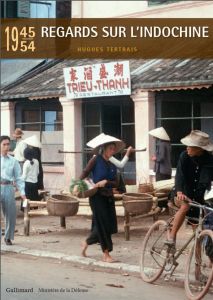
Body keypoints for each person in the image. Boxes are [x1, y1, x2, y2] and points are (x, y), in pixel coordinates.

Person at [80, 134, 125, 262]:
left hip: (108, 196)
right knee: (103, 224)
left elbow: (116, 183)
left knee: (109, 225)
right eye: (111, 148)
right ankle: (106, 254)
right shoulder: (96, 160)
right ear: (104, 148)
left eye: (114, 149)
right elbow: (84, 173)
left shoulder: (112, 165)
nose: (113, 151)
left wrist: (106, 181)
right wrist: (77, 185)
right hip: (96, 197)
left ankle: (86, 242)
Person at [166, 130, 213, 246]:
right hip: (182, 191)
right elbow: (179, 176)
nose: (187, 148)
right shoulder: (184, 156)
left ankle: (198, 261)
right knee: (185, 206)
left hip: (198, 196)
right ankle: (171, 237)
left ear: (199, 149)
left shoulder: (210, 160)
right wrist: (180, 191)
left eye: (190, 146)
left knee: (197, 230)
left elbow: (206, 180)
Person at [0, 135, 26, 245]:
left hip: (9, 188)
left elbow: (19, 178)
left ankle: (8, 236)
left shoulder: (13, 161)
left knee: (10, 214)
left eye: (8, 144)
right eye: (4, 144)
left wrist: (23, 193)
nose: (6, 146)